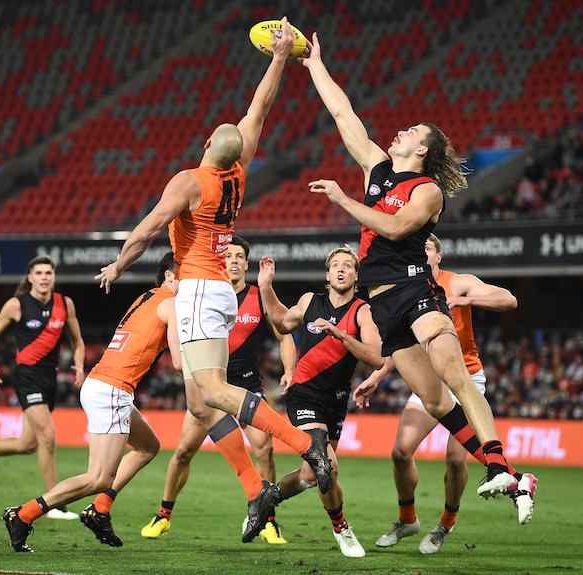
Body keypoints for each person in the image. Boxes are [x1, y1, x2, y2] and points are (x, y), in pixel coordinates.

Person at [95, 17, 333, 544]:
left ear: (206, 143)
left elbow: (147, 228)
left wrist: (118, 264)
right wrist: (277, 59)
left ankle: (305, 446)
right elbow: (259, 110)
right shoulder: (239, 170)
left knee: (211, 392)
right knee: (203, 401)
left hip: (200, 287)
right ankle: (260, 487)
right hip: (222, 290)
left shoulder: (189, 180)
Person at [300, 33, 533, 506]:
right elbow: (344, 114)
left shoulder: (428, 191)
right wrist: (312, 64)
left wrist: (345, 200)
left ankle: (494, 456)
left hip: (414, 289)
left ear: (423, 150)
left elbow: (394, 226)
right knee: (431, 400)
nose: (399, 132)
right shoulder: (379, 169)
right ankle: (511, 475)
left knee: (452, 370)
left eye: (410, 132)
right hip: (381, 302)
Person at [355, 234, 533, 555]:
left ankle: (445, 524)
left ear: (438, 256)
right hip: (429, 380)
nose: (420, 254)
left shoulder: (457, 283)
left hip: (465, 378)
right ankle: (407, 519)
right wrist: (377, 376)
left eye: (426, 249)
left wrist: (467, 301)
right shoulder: (407, 289)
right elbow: (402, 345)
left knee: (454, 460)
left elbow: (509, 299)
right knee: (400, 451)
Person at [2, 252, 182, 552]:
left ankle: (99, 510)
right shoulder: (172, 303)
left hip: (104, 384)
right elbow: (178, 361)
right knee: (98, 477)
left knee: (148, 446)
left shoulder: (149, 296)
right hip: (112, 389)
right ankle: (24, 514)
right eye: (187, 273)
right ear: (170, 276)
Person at [141, 235, 297, 544]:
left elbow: (284, 335)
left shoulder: (258, 297)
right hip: (208, 390)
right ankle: (163, 515)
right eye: (230, 256)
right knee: (184, 452)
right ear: (220, 261)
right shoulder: (204, 296)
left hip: (246, 387)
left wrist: (290, 369)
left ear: (246, 264)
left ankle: (267, 520)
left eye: (240, 256)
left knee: (264, 449)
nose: (235, 261)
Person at [257, 246, 383, 557]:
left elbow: (376, 357)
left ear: (356, 274)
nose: (341, 269)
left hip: (336, 401)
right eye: (335, 265)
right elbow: (283, 322)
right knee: (329, 467)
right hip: (304, 394)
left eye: (348, 265)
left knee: (310, 475)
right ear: (327, 275)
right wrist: (265, 287)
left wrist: (340, 334)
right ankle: (342, 529)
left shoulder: (363, 311)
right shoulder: (310, 302)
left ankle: (265, 499)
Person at [0, 254, 85, 520]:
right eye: (39, 273)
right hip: (26, 376)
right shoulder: (16, 305)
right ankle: (53, 505)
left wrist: (80, 365)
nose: (45, 277)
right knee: (47, 436)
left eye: (49, 272)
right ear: (30, 278)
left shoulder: (64, 304)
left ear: (54, 277)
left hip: (49, 378)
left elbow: (78, 342)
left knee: (27, 444)